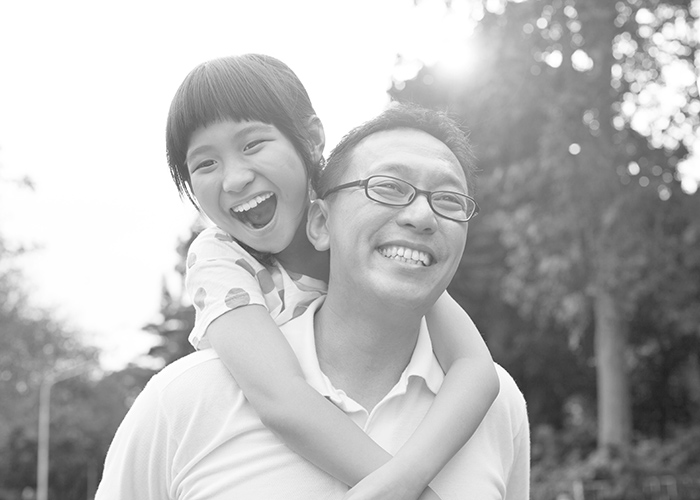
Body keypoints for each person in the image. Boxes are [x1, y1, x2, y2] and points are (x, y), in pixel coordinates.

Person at [96, 102, 530, 499]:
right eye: (388, 187)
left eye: (448, 199)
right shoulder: (187, 394)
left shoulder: (500, 408)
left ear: (311, 142)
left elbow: (477, 371)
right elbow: (281, 398)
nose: (237, 178)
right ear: (324, 222)